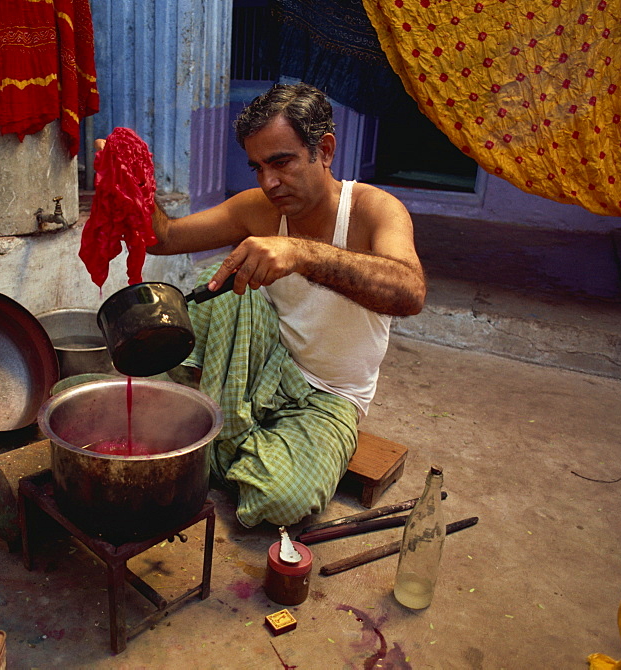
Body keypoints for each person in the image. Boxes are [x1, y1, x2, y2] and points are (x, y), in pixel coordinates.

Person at [103, 82, 426, 528]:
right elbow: (166, 237)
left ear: (324, 150)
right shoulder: (259, 207)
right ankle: (236, 437)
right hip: (262, 361)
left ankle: (226, 440)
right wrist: (129, 177)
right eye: (257, 167)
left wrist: (300, 253)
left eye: (281, 162)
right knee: (218, 280)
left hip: (326, 397)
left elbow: (409, 292)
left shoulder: (374, 210)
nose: (268, 182)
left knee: (279, 500)